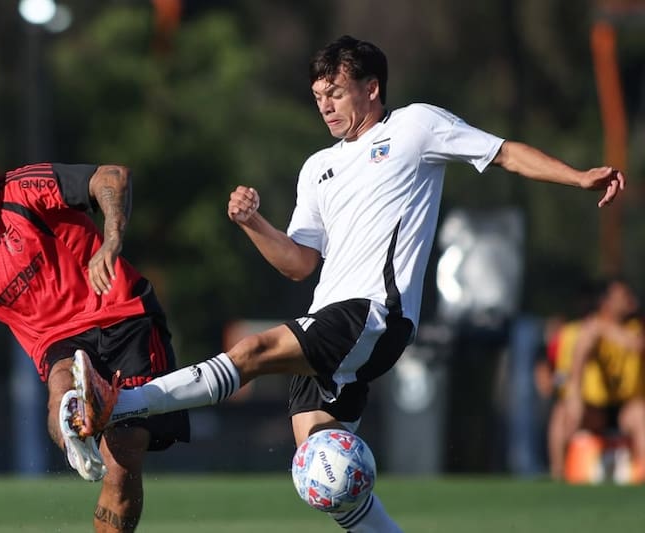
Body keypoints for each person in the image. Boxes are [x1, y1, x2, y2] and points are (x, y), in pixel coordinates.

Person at [63, 35, 625, 532]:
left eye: (334, 91)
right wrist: (253, 224)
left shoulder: (414, 126)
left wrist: (577, 176)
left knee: (254, 351)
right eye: (317, 96)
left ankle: (124, 403)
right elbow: (301, 264)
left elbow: (503, 153)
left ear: (371, 87)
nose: (325, 104)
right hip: (331, 316)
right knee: (325, 474)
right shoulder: (317, 168)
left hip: (375, 314)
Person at [0, 137, 189, 533]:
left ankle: (85, 425)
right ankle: (75, 427)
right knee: (60, 384)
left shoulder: (22, 190)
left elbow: (113, 176)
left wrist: (113, 237)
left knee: (122, 461)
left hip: (124, 317)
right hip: (57, 344)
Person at [547, 278, 645, 483]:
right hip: (596, 407)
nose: (630, 300)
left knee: (640, 415)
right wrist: (575, 397)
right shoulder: (587, 330)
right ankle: (557, 475)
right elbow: (581, 352)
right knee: (563, 414)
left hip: (627, 406)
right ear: (606, 302)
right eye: (623, 296)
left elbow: (636, 345)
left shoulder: (636, 326)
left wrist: (609, 331)